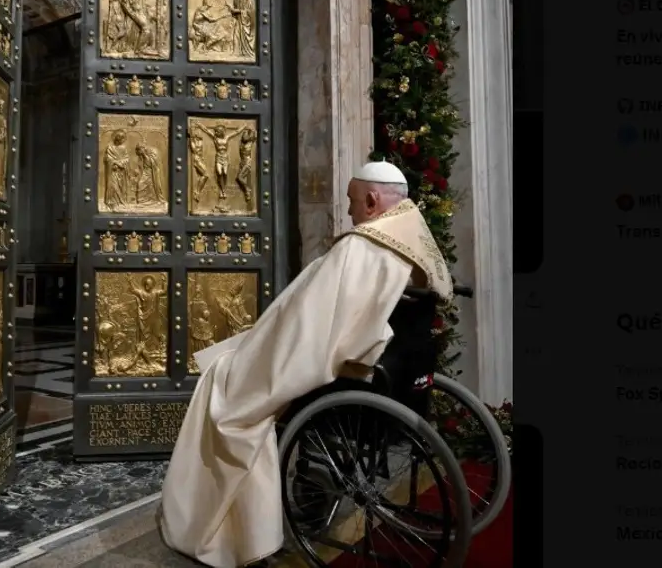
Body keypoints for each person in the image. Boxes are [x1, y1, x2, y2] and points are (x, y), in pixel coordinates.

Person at [158, 160, 453, 568]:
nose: (349, 212)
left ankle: (221, 528)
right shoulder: (413, 239)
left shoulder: (363, 246)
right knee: (234, 356)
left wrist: (258, 349)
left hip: (330, 361)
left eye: (352, 202)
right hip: (387, 363)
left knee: (223, 388)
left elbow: (307, 326)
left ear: (371, 199)